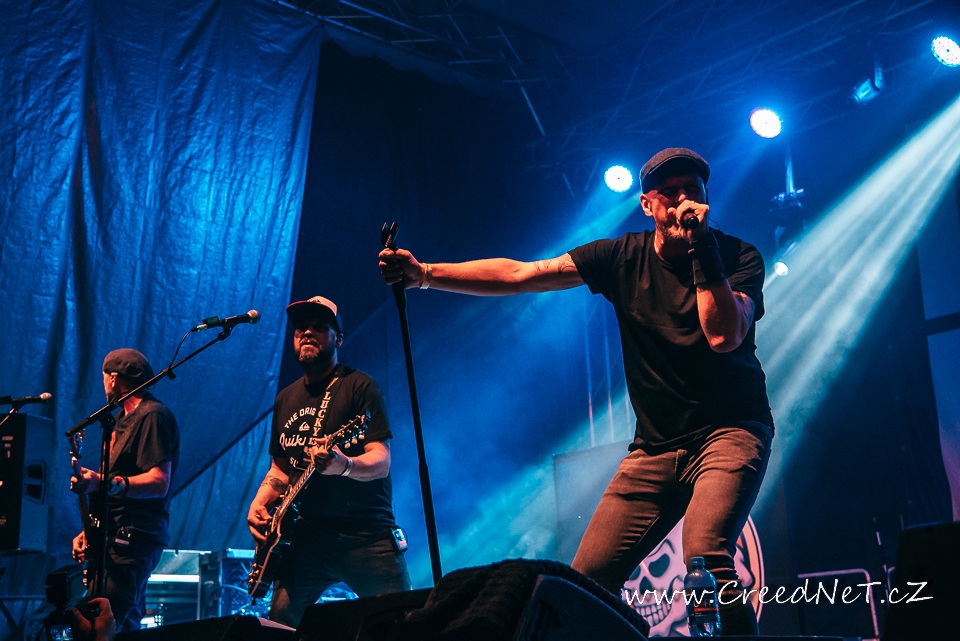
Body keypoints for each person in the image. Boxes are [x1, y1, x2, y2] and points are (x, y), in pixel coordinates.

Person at [379, 148, 773, 634]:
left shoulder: (737, 256)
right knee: (583, 585)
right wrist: (425, 275)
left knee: (705, 557)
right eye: (669, 194)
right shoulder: (620, 256)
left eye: (692, 191)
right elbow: (523, 275)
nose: (681, 202)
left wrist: (701, 247)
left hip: (730, 432)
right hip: (655, 447)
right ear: (647, 205)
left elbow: (723, 336)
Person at [247, 295, 410, 628]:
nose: (307, 332)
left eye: (319, 327)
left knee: (400, 626)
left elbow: (381, 461)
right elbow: (280, 468)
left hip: (366, 535)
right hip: (306, 538)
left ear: (338, 339)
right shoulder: (285, 398)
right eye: (300, 328)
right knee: (281, 626)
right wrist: (259, 502)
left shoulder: (360, 386)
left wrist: (344, 466)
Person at [71, 348, 180, 633]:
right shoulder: (119, 420)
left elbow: (159, 482)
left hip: (134, 534)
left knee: (109, 617)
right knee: (118, 618)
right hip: (112, 532)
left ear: (113, 378)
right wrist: (89, 529)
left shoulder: (152, 415)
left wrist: (101, 482)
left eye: (104, 377)